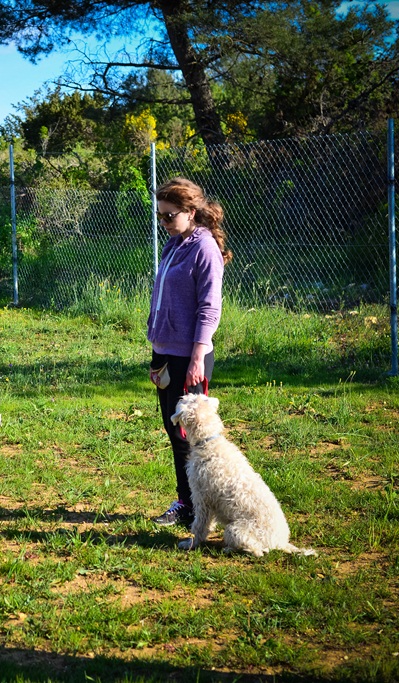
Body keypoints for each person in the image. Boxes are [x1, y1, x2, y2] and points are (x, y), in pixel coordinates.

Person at [147, 177, 232, 527]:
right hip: (167, 353)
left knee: (190, 436)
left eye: (169, 216)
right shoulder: (175, 243)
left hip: (190, 357)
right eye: (160, 217)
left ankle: (199, 508)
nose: (163, 223)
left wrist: (198, 357)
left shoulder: (205, 249)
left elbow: (209, 309)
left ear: (191, 212)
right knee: (174, 430)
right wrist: (157, 345)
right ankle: (189, 503)